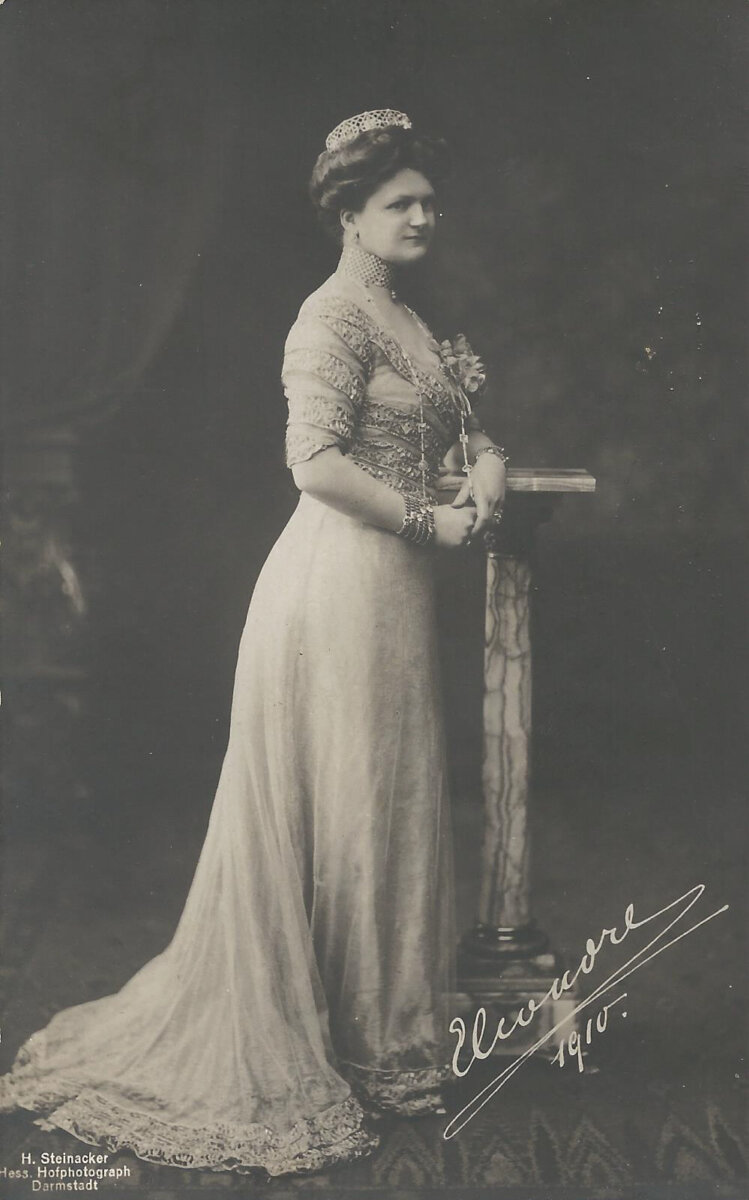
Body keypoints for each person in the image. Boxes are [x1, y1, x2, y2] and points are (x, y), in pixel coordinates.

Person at [0, 109, 507, 1178]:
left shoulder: (407, 315)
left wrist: (488, 466)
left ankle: (382, 1036)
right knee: (349, 799)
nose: (423, 216)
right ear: (348, 213)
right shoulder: (328, 319)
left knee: (387, 796)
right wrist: (430, 523)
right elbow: (313, 464)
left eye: (429, 200)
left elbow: (458, 429)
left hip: (393, 593)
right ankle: (345, 1040)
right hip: (337, 587)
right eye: (400, 203)